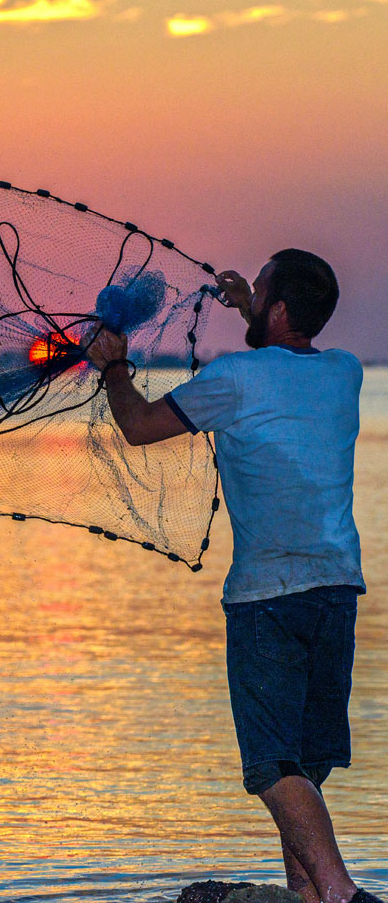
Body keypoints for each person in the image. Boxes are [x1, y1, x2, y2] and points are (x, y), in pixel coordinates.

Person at [84, 249, 381, 903]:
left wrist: (113, 367)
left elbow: (136, 426)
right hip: (337, 591)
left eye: (264, 290)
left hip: (267, 599)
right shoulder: (345, 374)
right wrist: (253, 307)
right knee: (305, 768)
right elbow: (287, 352)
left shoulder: (235, 378)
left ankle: (341, 895)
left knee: (273, 769)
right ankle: (312, 898)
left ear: (278, 308)